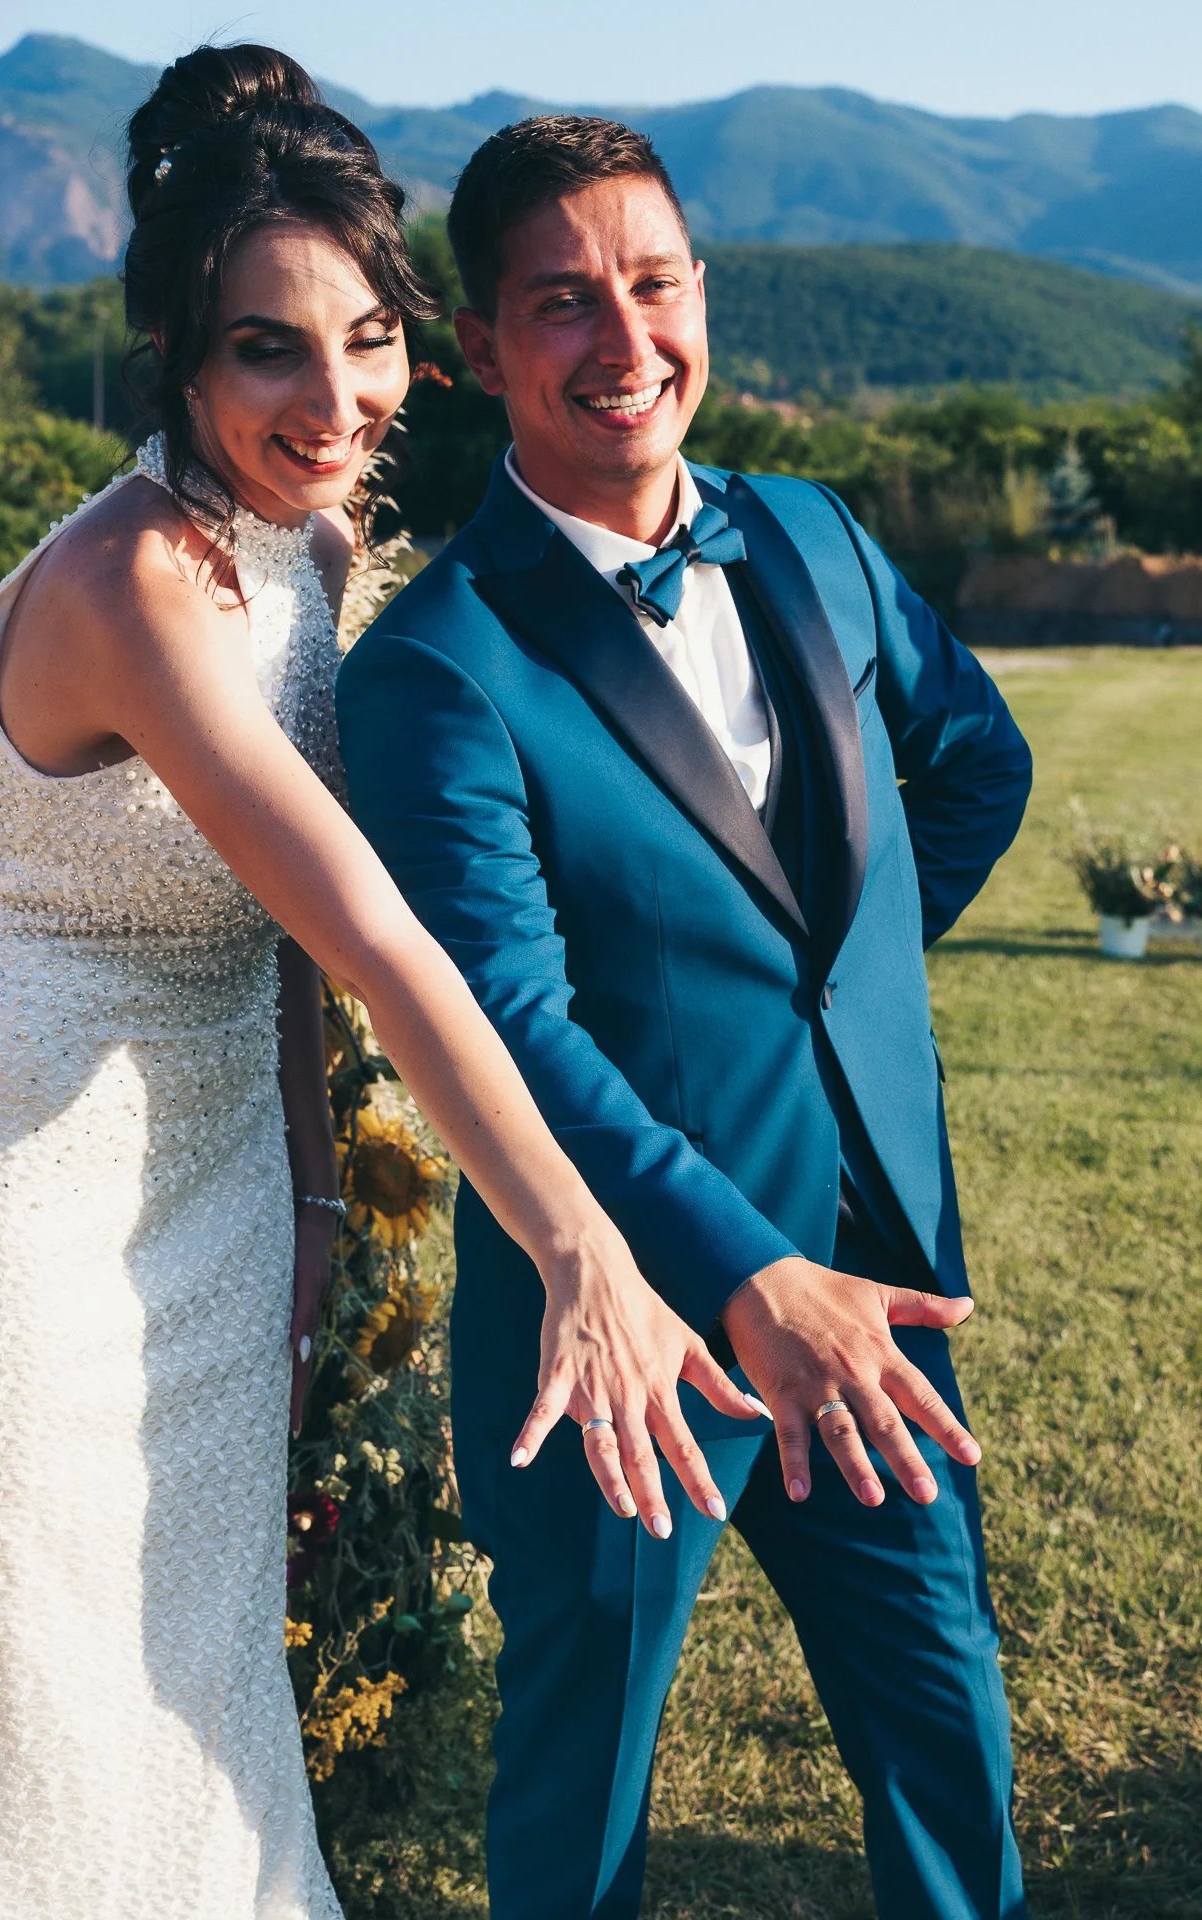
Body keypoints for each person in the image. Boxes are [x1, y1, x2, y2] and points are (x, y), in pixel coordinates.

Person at [0, 51, 765, 1920]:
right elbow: (372, 934)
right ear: (176, 352)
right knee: (51, 1711)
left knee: (200, 1681)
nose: (337, 403)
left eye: (369, 339)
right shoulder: (137, 578)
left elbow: (276, 945)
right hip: (32, 1191)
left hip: (218, 1183)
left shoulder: (300, 537)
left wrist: (311, 1186)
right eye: (268, 353)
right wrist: (581, 1250)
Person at [336, 115, 1034, 1920]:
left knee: (946, 1735)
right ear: (476, 352)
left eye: (652, 283)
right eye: (563, 302)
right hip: (625, 1320)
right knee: (585, 1799)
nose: (624, 338)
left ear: (702, 294)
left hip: (877, 1265)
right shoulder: (434, 664)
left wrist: (839, 1010)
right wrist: (734, 1268)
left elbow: (973, 766)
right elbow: (505, 1020)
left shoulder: (814, 535)